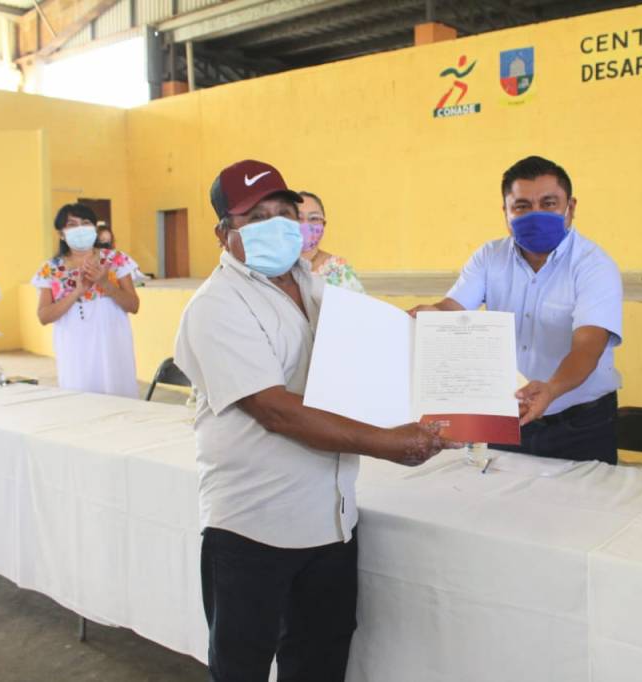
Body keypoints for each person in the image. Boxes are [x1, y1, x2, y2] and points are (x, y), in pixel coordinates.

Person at [174, 159, 459, 682]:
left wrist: (417, 328)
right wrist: (388, 443)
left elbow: (366, 349)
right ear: (224, 233)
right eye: (256, 217)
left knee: (320, 661)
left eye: (284, 212)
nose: (277, 226)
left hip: (331, 520)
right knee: (242, 667)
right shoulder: (217, 306)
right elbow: (275, 410)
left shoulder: (316, 286)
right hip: (254, 525)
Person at [409, 155, 623, 463]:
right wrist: (431, 314)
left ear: (571, 207)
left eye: (548, 203)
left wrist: (551, 389)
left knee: (584, 496)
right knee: (500, 492)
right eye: (522, 206)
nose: (536, 215)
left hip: (579, 424)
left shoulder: (594, 266)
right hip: (510, 415)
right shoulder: (489, 257)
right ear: (506, 212)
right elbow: (451, 308)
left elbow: (588, 347)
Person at [32, 203, 140, 398]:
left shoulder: (115, 259)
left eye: (86, 222)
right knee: (80, 400)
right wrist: (77, 292)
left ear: (95, 229)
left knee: (118, 398)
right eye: (72, 224)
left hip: (112, 344)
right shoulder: (51, 268)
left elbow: (133, 305)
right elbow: (44, 316)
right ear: (61, 234)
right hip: (74, 350)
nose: (80, 228)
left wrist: (105, 283)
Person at [298, 190, 365, 292]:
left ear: (323, 224)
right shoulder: (277, 268)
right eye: (298, 218)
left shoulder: (340, 271)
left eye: (314, 218)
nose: (305, 224)